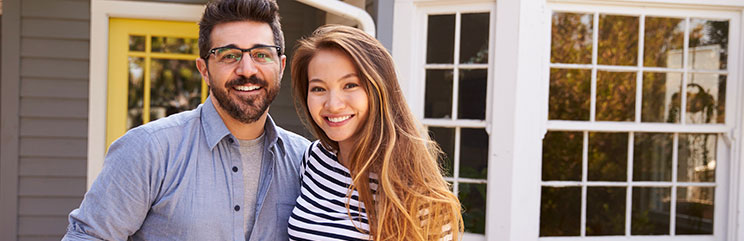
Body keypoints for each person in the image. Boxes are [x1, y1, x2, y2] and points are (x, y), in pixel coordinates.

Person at [63, 0, 309, 240]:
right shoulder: (149, 149)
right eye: (229, 55)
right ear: (204, 70)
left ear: (281, 66)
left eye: (261, 54)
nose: (247, 69)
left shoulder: (305, 161)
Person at [288, 25, 464, 241]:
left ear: (379, 89)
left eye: (350, 85)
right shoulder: (314, 158)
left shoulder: (415, 191)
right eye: (318, 88)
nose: (333, 105)